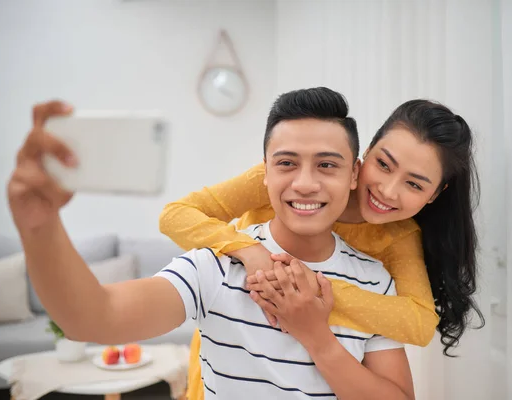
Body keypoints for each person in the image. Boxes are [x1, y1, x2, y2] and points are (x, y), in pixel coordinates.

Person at [7, 88, 415, 400]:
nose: (305, 183)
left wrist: (316, 337)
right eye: (287, 163)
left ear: (354, 175)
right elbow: (93, 317)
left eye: (327, 164)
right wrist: (40, 226)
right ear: (265, 174)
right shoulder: (216, 265)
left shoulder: (374, 280)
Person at [160, 94, 484, 399]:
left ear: (434, 194)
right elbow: (177, 214)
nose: (387, 190)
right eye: (384, 165)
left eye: (414, 184)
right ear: (364, 156)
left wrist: (301, 289)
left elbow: (419, 322)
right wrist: (250, 252)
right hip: (234, 356)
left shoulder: (399, 235)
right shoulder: (289, 176)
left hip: (314, 374)